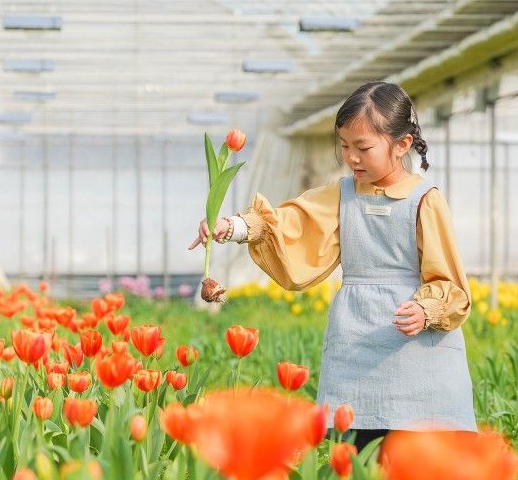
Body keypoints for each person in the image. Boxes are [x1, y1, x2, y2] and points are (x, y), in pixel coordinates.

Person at [188, 81, 477, 453]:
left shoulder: (425, 201)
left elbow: (450, 281)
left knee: (416, 455)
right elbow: (292, 223)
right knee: (360, 450)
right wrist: (233, 227)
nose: (351, 158)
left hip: (415, 348)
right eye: (344, 146)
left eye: (363, 148)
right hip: (358, 339)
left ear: (402, 144)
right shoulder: (342, 195)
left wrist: (426, 309)